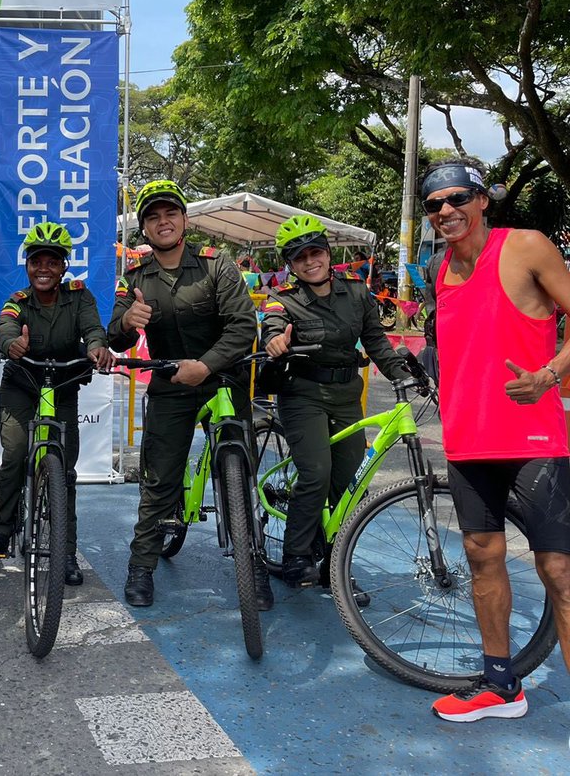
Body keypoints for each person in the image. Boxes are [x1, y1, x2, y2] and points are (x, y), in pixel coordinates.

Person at [416, 158, 570, 723]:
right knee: (483, 560)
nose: (446, 212)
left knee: (558, 569)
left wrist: (549, 375)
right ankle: (502, 686)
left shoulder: (527, 245)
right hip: (468, 442)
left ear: (483, 200)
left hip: (534, 437)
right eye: (434, 205)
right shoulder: (439, 270)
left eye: (457, 199)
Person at [108, 180, 260, 608]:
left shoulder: (218, 265)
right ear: (144, 229)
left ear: (185, 220)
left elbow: (243, 325)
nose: (163, 222)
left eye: (170, 213)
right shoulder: (133, 278)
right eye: (153, 217)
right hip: (169, 385)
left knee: (239, 477)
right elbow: (114, 340)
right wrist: (126, 322)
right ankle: (142, 566)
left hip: (222, 381)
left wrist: (206, 365)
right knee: (158, 481)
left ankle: (254, 563)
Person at [261, 215, 409, 589]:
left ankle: (336, 564)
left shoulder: (357, 293)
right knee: (316, 472)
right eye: (299, 258)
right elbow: (273, 326)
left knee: (350, 482)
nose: (310, 262)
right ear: (290, 265)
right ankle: (296, 555)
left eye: (315, 253)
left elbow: (375, 342)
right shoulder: (283, 298)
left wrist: (402, 376)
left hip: (345, 395)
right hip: (302, 394)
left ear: (327, 254)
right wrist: (275, 341)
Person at [0, 222, 112, 586]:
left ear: (63, 267)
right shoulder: (17, 301)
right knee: (15, 453)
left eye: (52, 262)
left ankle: (66, 554)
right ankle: (0, 528)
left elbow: (93, 329)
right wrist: (12, 344)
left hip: (63, 387)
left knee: (64, 470)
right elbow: (6, 327)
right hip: (22, 386)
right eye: (36, 261)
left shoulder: (80, 297)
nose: (44, 268)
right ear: (27, 265)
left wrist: (95, 347)